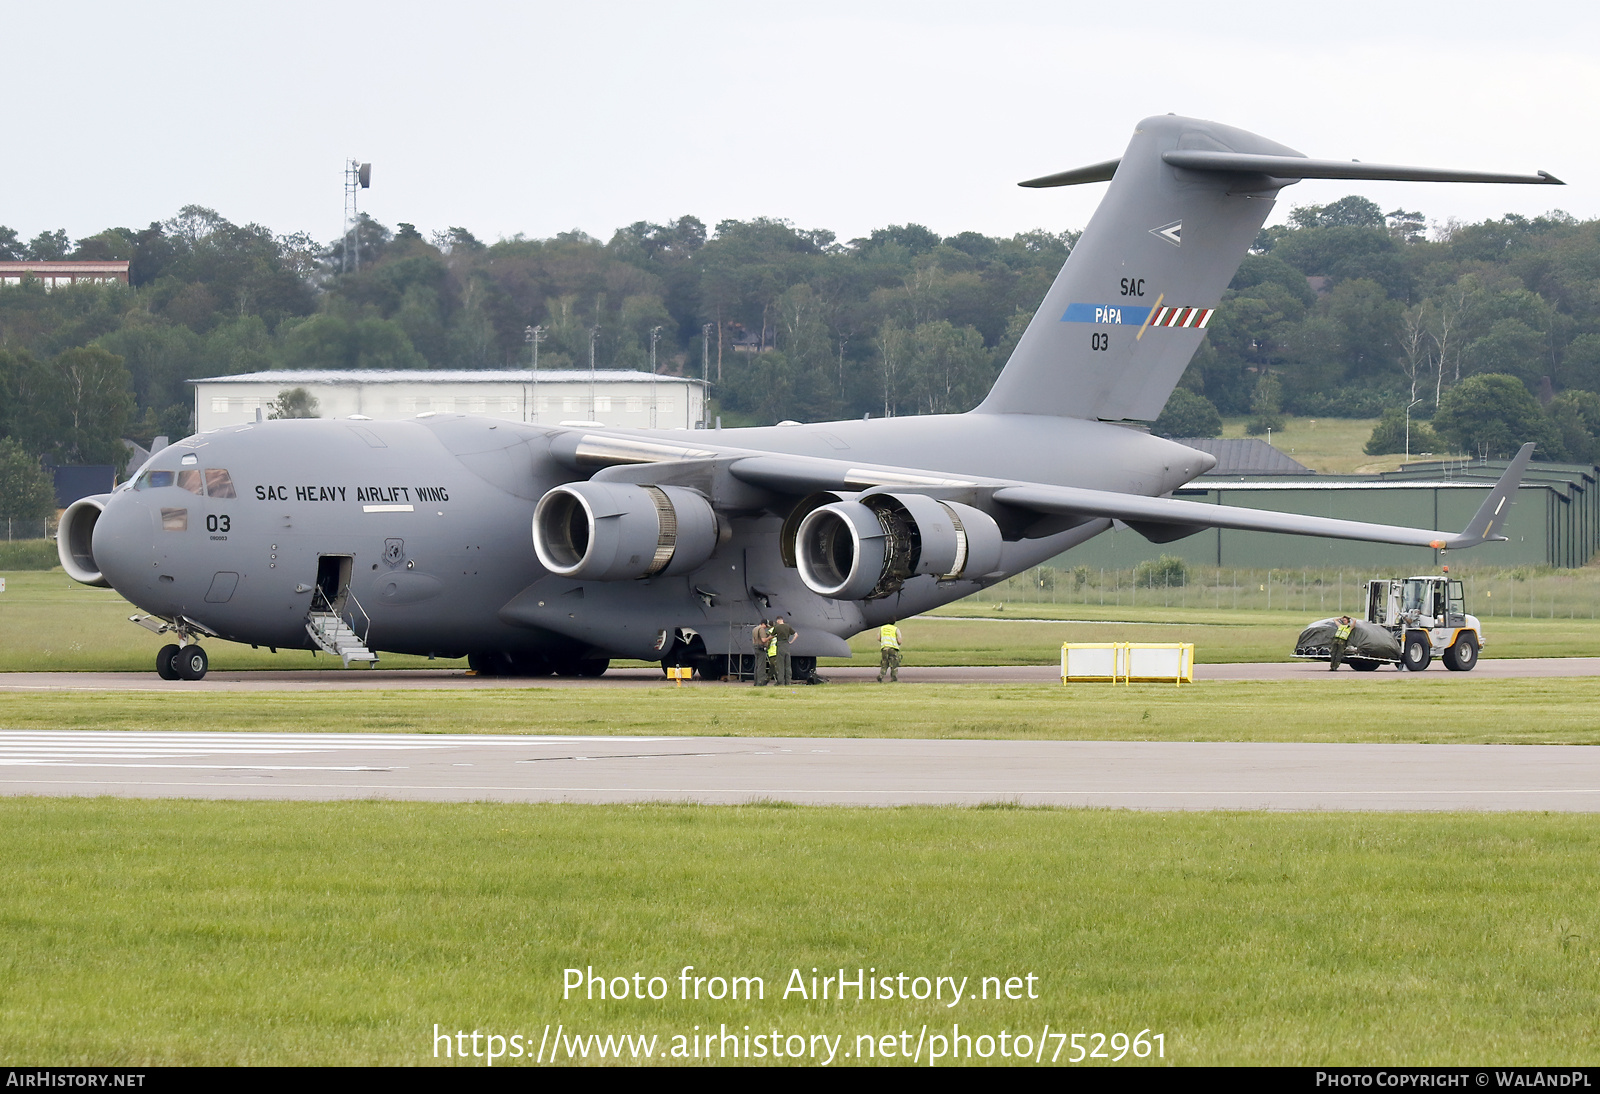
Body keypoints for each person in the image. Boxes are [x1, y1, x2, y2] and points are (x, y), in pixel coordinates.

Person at [771, 615, 797, 685]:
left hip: (780, 645)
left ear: (778, 620)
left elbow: (771, 636)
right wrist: (791, 642)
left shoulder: (777, 627)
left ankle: (781, 682)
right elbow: (796, 634)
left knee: (780, 665)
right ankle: (788, 681)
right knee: (788, 665)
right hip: (787, 646)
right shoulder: (788, 626)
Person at [752, 619, 772, 686]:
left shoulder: (755, 629)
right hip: (761, 649)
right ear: (763, 624)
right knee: (761, 666)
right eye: (766, 625)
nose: (766, 627)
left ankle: (756, 682)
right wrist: (769, 637)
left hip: (755, 647)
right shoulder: (761, 629)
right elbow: (763, 640)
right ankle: (760, 682)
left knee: (757, 666)